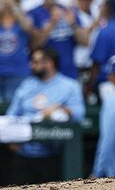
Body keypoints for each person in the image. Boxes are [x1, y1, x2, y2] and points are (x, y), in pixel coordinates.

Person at [5, 48, 85, 185]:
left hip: (53, 155)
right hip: (24, 153)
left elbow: (79, 115)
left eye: (36, 62)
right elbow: (12, 114)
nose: (31, 65)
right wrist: (11, 140)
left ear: (49, 63)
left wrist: (60, 109)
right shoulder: (27, 84)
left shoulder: (69, 86)